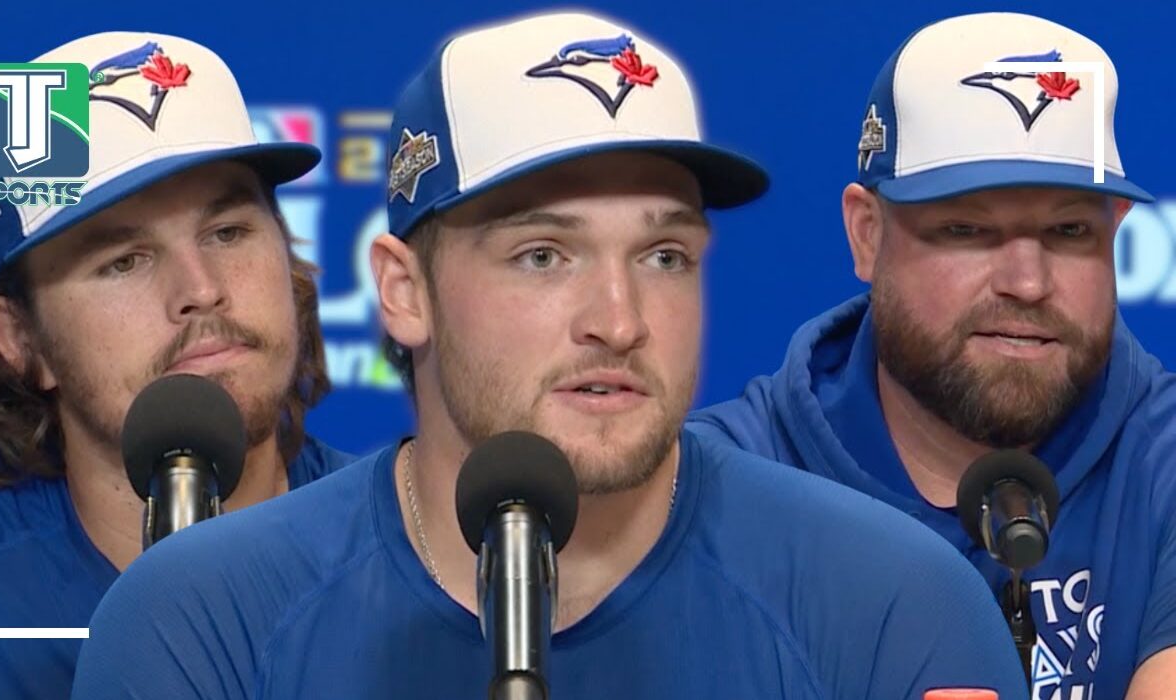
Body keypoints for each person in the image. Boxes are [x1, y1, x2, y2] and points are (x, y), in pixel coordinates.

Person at [71, 13, 1027, 699]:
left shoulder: (895, 603)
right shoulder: (201, 619)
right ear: (403, 291)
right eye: (543, 256)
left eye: (663, 256)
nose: (620, 320)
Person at [688, 12, 1171, 700]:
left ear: (1115, 232)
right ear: (867, 234)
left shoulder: (1163, 460)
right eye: (967, 230)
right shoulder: (716, 490)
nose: (1027, 283)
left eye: (1068, 231)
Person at [0, 32, 354, 699]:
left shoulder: (416, 544)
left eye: (227, 232)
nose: (201, 288)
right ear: (21, 339)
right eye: (123, 262)